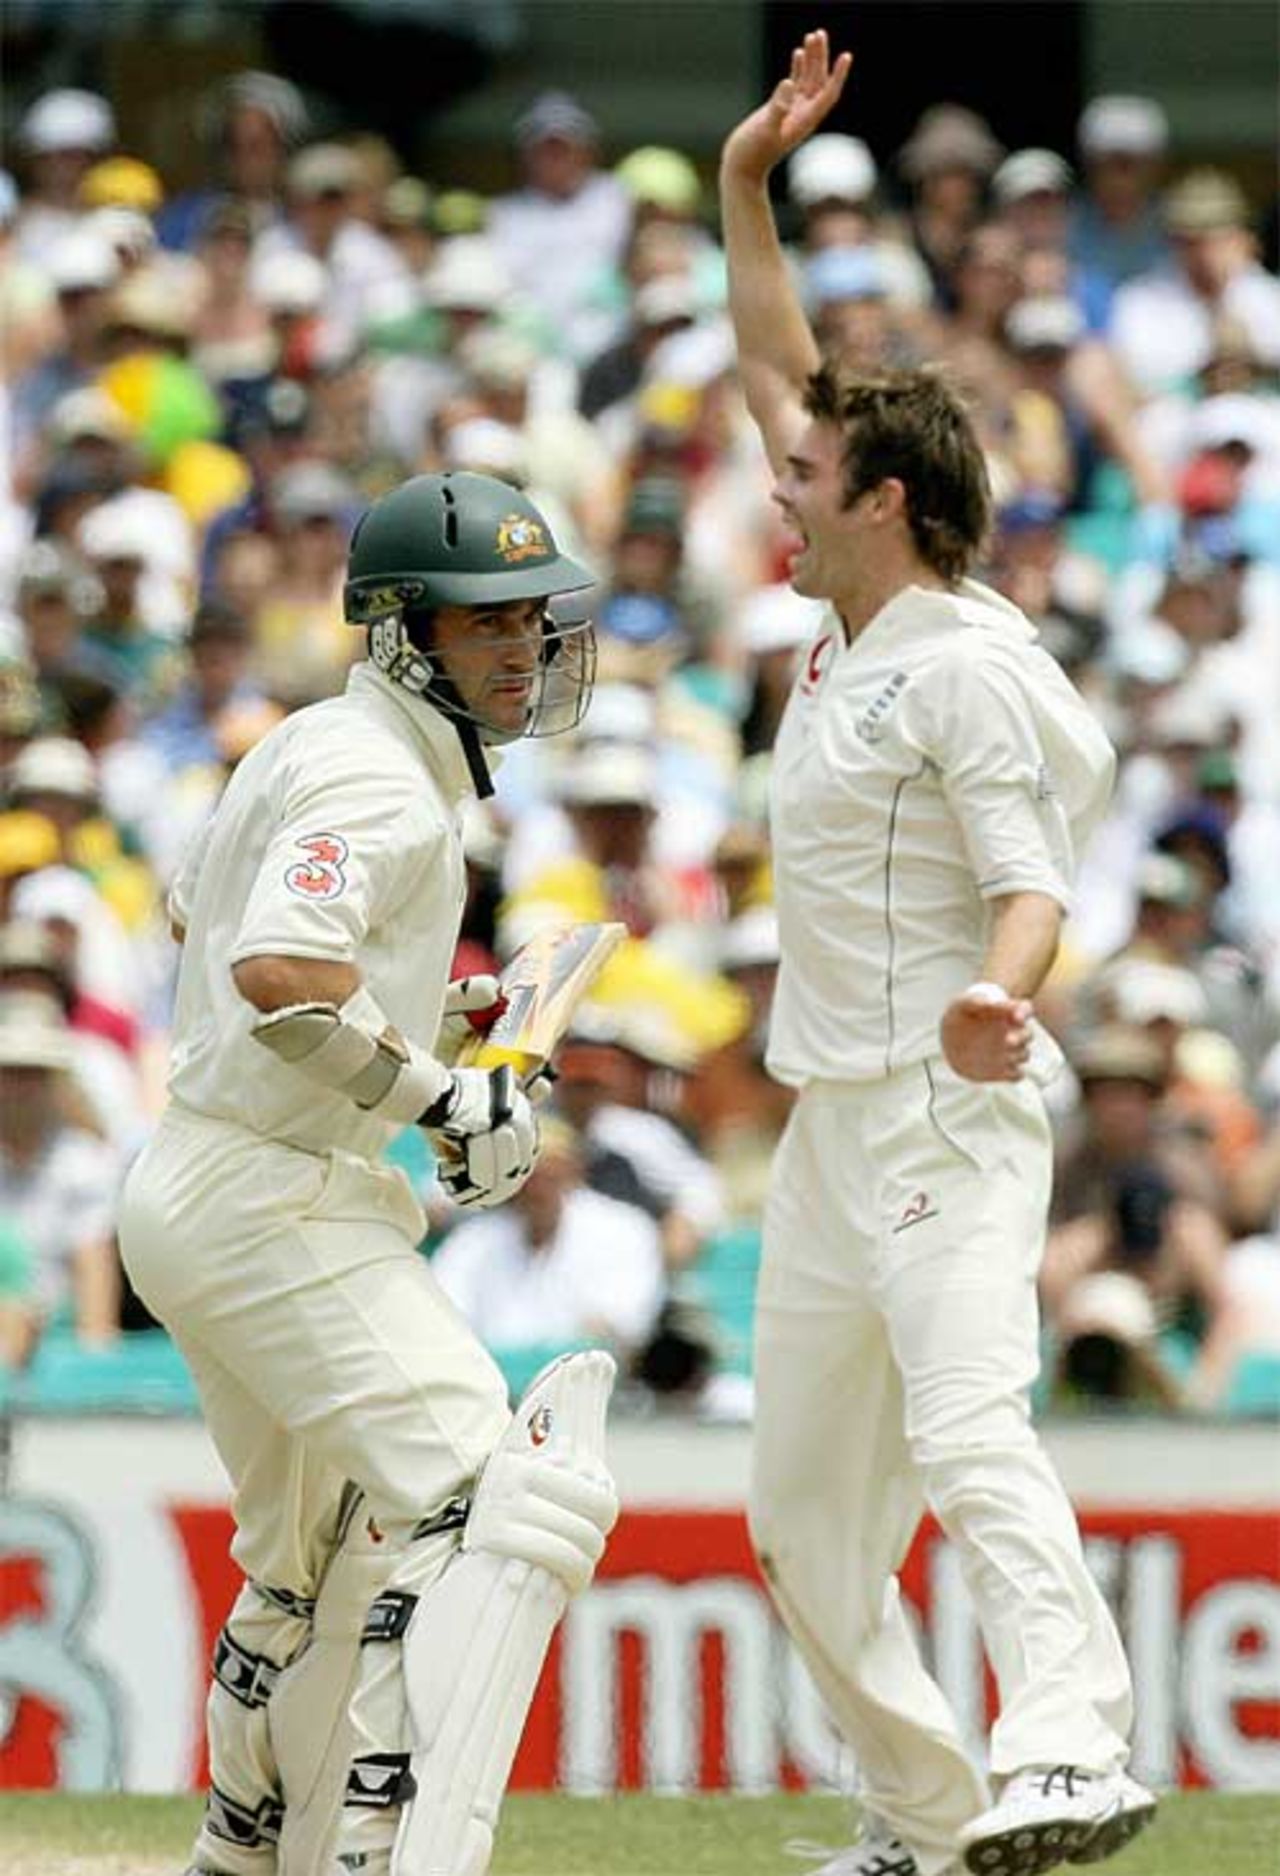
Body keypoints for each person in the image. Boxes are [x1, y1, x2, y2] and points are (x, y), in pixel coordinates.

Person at [719, 32, 1155, 1876]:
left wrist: (1008, 992)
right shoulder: (852, 612)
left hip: (950, 1105)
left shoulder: (967, 664)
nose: (777, 490)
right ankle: (922, 1814)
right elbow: (771, 361)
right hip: (831, 1129)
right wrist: (748, 181)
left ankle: (1071, 1751)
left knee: (973, 1436)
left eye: (805, 477)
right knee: (802, 1522)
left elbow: (1031, 876)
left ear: (884, 501)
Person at [116, 469, 619, 1876]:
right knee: (476, 1497)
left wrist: (440, 1019)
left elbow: (202, 918)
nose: (522, 655)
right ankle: (379, 1846)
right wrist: (446, 1094)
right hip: (275, 1194)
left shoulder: (316, 745)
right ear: (405, 633)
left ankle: (243, 1841)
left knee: (305, 1552)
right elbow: (276, 973)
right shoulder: (377, 779)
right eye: (486, 629)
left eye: (531, 624)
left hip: (207, 1180)